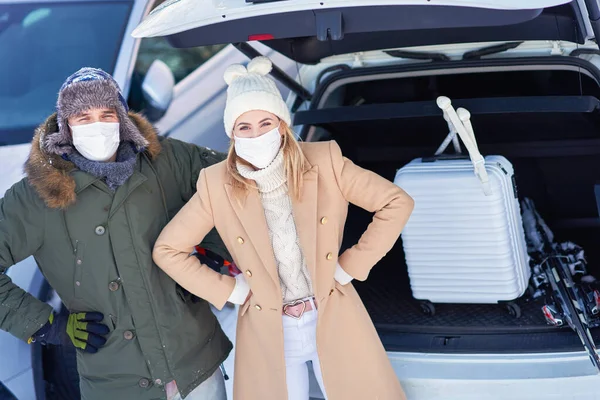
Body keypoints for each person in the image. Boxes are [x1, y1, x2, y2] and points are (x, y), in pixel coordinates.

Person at [152, 56, 415, 400]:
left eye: (265, 122)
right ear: (232, 134)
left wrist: (351, 266)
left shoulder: (324, 160)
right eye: (244, 127)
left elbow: (396, 202)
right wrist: (232, 291)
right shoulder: (216, 184)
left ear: (282, 124)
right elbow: (168, 250)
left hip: (331, 312)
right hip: (269, 327)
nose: (256, 134)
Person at [0, 68, 232, 400]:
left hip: (195, 364)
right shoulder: (37, 196)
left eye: (106, 115)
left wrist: (212, 252)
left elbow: (232, 187)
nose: (97, 126)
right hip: (117, 381)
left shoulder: (163, 160)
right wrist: (46, 325)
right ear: (65, 127)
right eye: (83, 117)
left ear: (121, 119)